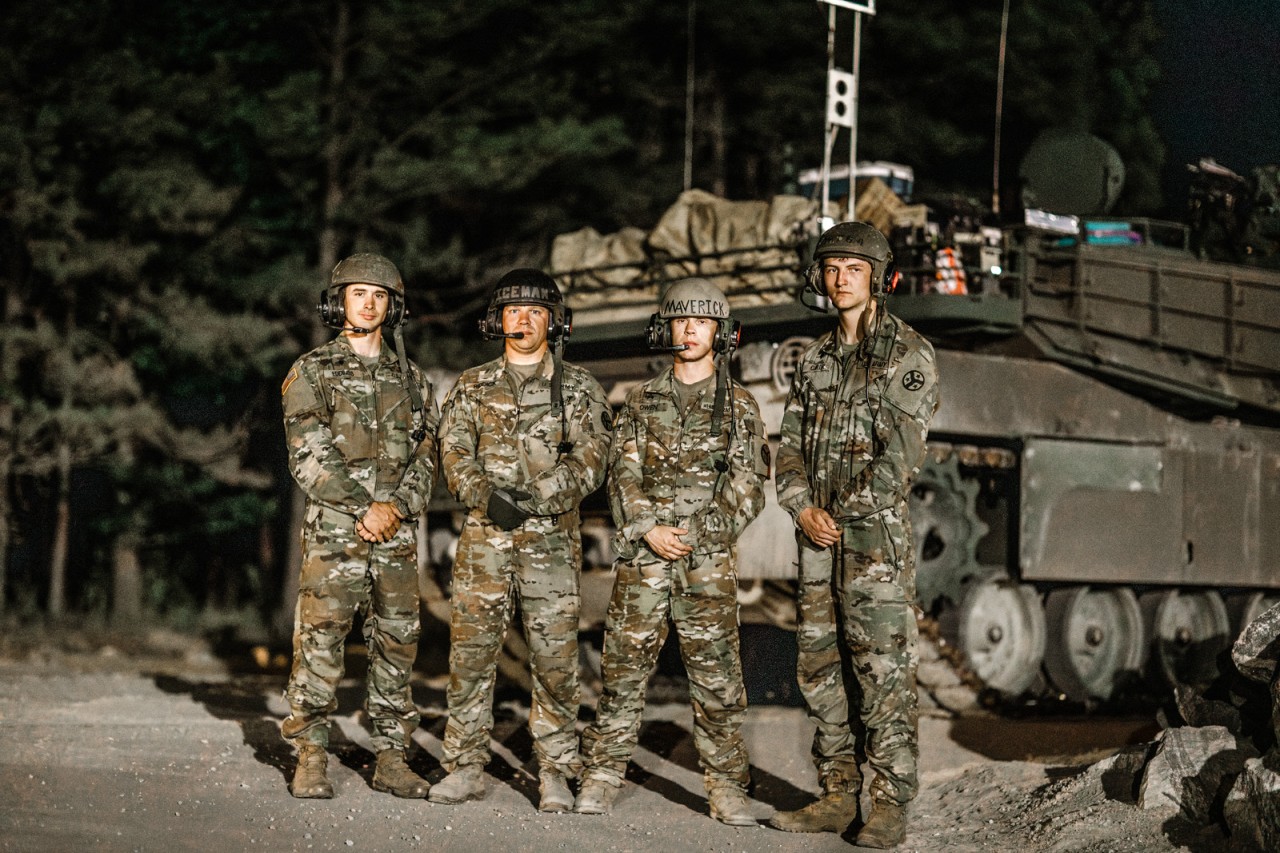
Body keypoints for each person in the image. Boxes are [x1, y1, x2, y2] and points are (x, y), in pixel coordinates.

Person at [770, 221, 940, 848]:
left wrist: (838, 511)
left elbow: (900, 459)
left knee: (881, 671)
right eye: (831, 268)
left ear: (879, 278)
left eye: (854, 269)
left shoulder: (908, 354)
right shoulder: (815, 359)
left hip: (873, 546)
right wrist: (800, 506)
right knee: (819, 670)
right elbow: (786, 446)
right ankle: (838, 795)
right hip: (817, 542)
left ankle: (889, 804)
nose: (840, 280)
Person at [575, 279, 769, 826]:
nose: (690, 331)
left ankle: (727, 787)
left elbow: (747, 485)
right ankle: (602, 775)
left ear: (719, 333)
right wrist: (647, 528)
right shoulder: (641, 400)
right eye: (681, 321)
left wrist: (693, 531)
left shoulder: (740, 405)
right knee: (622, 671)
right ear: (667, 329)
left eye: (701, 322)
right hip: (646, 559)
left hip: (705, 562)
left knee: (717, 678)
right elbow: (622, 474)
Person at [431, 268, 611, 813]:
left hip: (551, 544)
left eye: (536, 312)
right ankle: (464, 766)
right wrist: (486, 497)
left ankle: (555, 770)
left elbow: (592, 458)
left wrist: (537, 497)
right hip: (485, 541)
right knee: (470, 657)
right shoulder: (473, 385)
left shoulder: (579, 388)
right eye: (514, 311)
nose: (524, 321)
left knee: (555, 660)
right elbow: (453, 451)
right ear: (497, 320)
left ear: (553, 321)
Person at [280, 252, 440, 800]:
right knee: (321, 640)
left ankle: (392, 758)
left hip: (394, 535)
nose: (368, 304)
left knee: (396, 641)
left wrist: (395, 509)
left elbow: (427, 453)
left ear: (392, 306)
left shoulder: (412, 378)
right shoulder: (313, 370)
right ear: (338, 302)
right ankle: (311, 755)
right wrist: (362, 506)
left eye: (379, 296)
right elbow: (308, 453)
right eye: (358, 294)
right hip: (335, 532)